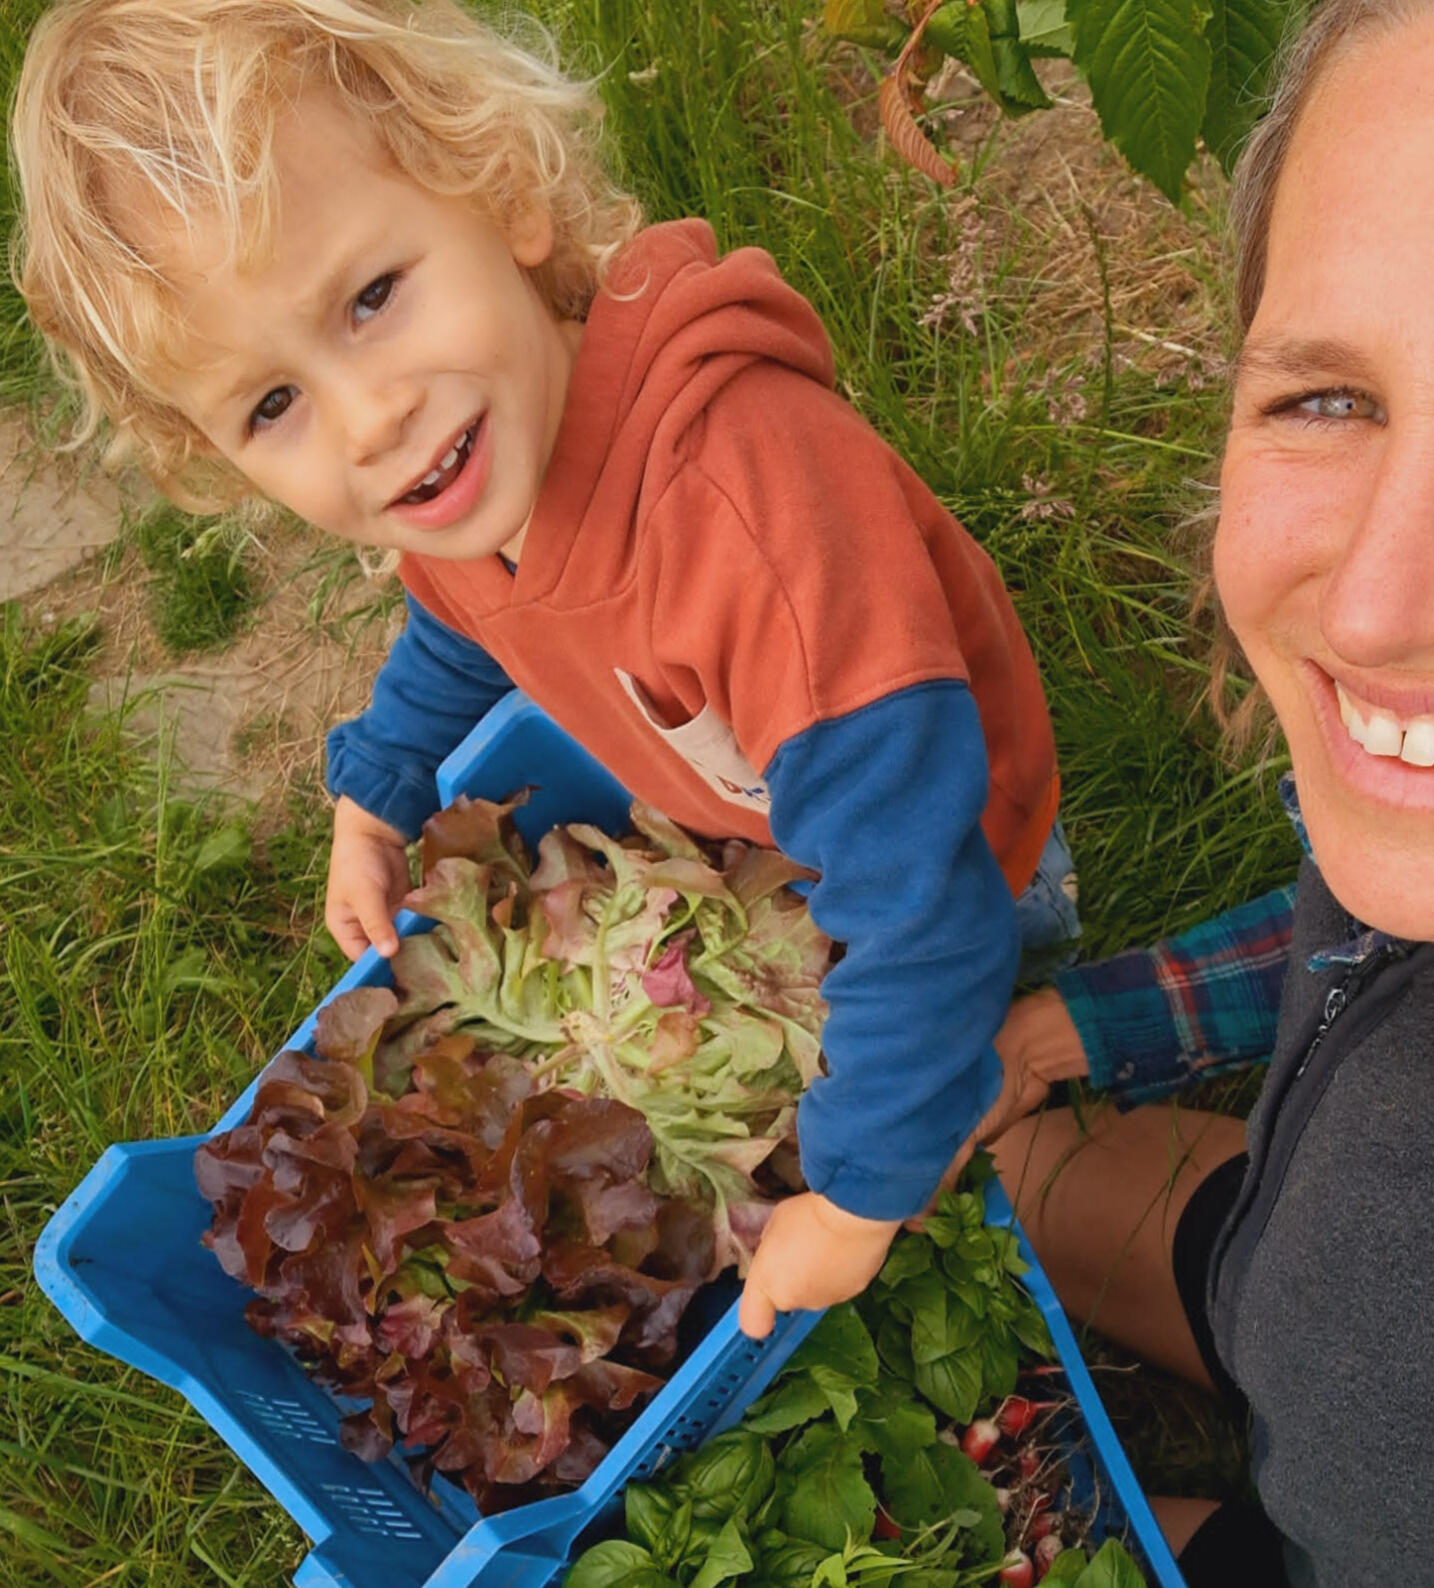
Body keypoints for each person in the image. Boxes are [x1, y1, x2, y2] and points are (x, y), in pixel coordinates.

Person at [10, 0, 1078, 1340]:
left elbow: (922, 898)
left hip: (960, 832)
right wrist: (378, 791)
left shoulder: (745, 517)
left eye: (372, 298)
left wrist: (860, 1197)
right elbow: (463, 620)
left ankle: (1029, 1025)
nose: (368, 419)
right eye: (272, 405)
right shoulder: (476, 468)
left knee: (971, 968)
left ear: (504, 197)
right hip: (783, 801)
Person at [975, 1, 1434, 1583]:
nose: (1373, 609)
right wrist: (1073, 1034)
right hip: (1292, 1260)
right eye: (1327, 399)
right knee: (998, 1162)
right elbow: (1374, 937)